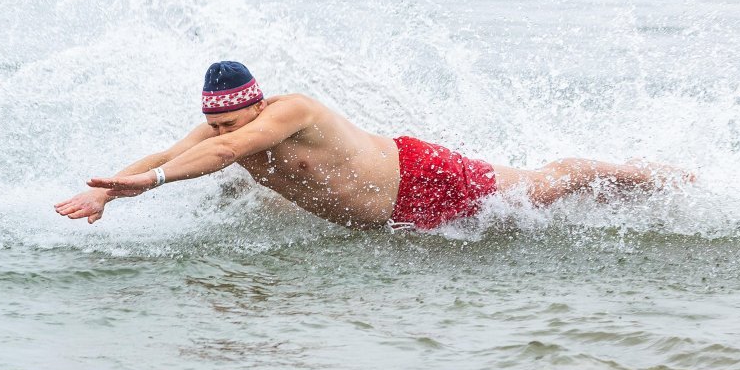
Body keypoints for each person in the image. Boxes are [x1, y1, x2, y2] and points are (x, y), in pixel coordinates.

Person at [55, 61, 694, 230]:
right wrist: (107, 190)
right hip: (393, 219)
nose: (223, 135)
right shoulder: (222, 131)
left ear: (258, 101)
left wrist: (155, 186)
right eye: (215, 125)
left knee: (545, 190)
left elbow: (215, 157)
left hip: (420, 178)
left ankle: (644, 176)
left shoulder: (291, 110)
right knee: (524, 226)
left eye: (233, 122)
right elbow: (168, 156)